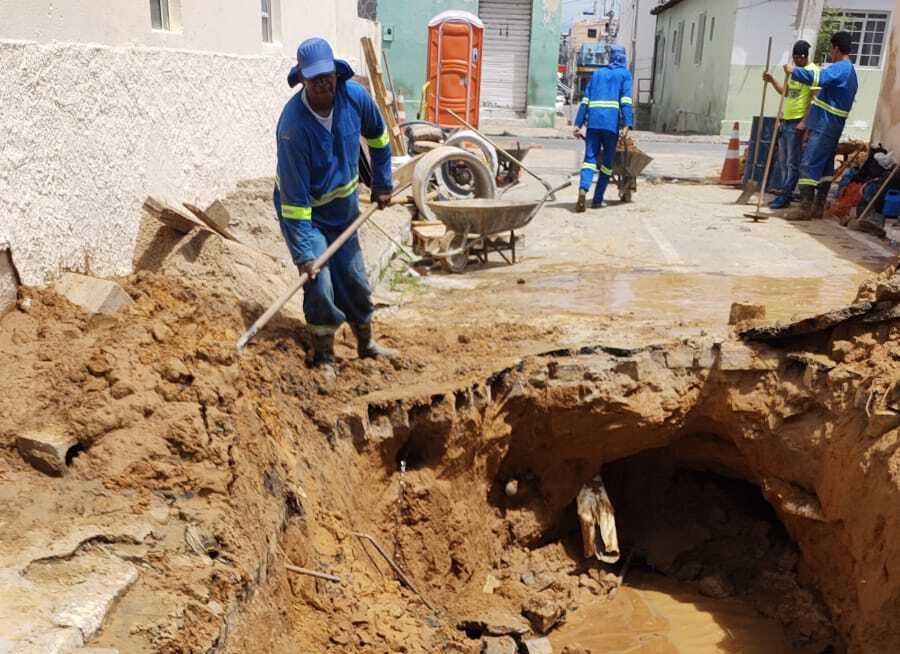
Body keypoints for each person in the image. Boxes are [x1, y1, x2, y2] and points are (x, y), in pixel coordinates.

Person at [274, 37, 397, 380]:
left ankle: (366, 343)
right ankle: (324, 354)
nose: (323, 82)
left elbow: (380, 138)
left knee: (354, 277)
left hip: (343, 209)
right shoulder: (292, 130)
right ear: (302, 80)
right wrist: (303, 253)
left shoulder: (355, 98)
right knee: (319, 281)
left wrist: (382, 183)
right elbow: (295, 204)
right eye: (314, 78)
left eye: (326, 74)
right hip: (307, 215)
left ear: (335, 72)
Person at [783, 31, 858, 221]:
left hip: (826, 123)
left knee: (808, 162)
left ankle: (805, 208)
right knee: (824, 167)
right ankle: (817, 207)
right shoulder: (849, 71)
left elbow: (819, 79)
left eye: (831, 50)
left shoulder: (841, 68)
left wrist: (794, 72)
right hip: (830, 124)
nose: (831, 54)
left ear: (836, 49)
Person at [573, 45, 634, 212]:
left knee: (589, 159)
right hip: (610, 125)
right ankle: (597, 200)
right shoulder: (624, 74)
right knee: (607, 164)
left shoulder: (597, 74)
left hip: (593, 123)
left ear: (610, 57)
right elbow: (626, 101)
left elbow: (585, 101)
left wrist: (578, 124)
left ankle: (583, 189)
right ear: (623, 58)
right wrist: (628, 124)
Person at [762, 40, 819, 210]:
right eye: (793, 59)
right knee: (784, 161)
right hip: (786, 121)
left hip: (797, 123)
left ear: (803, 56)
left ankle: (785, 196)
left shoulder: (812, 72)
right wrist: (772, 80)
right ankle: (784, 193)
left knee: (793, 162)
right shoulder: (793, 71)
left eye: (797, 58)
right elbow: (786, 93)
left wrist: (804, 122)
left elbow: (815, 100)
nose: (795, 62)